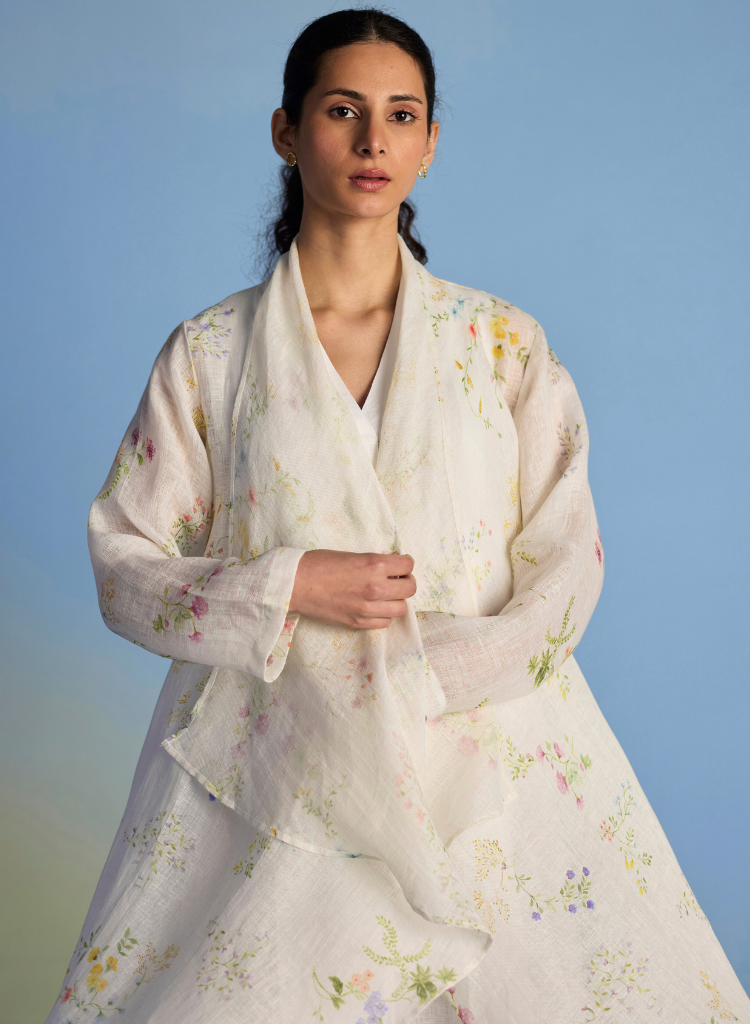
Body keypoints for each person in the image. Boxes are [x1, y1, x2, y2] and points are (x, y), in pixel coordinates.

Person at [46, 9, 749, 1024]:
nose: (373, 140)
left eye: (401, 114)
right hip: (273, 761)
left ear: (430, 142)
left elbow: (568, 563)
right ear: (287, 132)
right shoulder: (210, 354)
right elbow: (124, 564)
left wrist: (441, 671)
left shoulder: (502, 346)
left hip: (488, 752)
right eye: (343, 111)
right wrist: (288, 583)